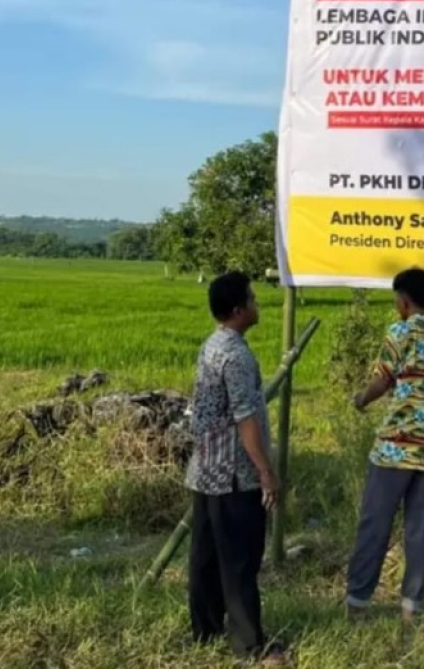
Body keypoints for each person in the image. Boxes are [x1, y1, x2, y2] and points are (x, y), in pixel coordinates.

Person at [345, 267, 424, 623]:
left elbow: (382, 380)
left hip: (396, 448)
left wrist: (360, 400)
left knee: (375, 523)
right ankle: (411, 608)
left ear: (402, 301)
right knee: (420, 528)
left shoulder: (399, 332)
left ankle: (358, 602)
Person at [184, 271, 286, 664]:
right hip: (233, 474)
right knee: (240, 560)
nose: (258, 305)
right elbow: (246, 421)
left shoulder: (212, 345)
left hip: (206, 469)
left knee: (206, 558)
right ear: (239, 310)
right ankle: (249, 645)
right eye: (254, 300)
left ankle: (205, 632)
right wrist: (266, 471)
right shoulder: (238, 356)